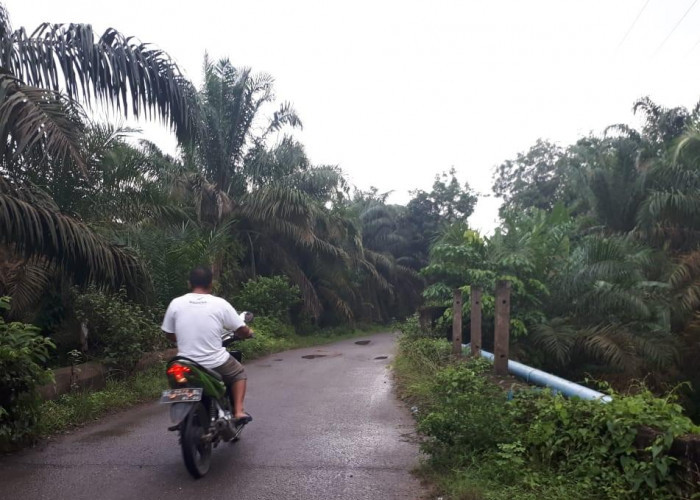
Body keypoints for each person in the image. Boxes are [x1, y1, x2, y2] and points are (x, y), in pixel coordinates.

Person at [161, 266, 253, 424]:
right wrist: (248, 333)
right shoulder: (219, 303)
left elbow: (169, 333)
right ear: (211, 284)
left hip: (184, 362)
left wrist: (184, 339)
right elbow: (241, 329)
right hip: (215, 362)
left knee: (176, 380)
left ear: (189, 283)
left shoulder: (176, 303)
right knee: (239, 374)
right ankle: (238, 411)